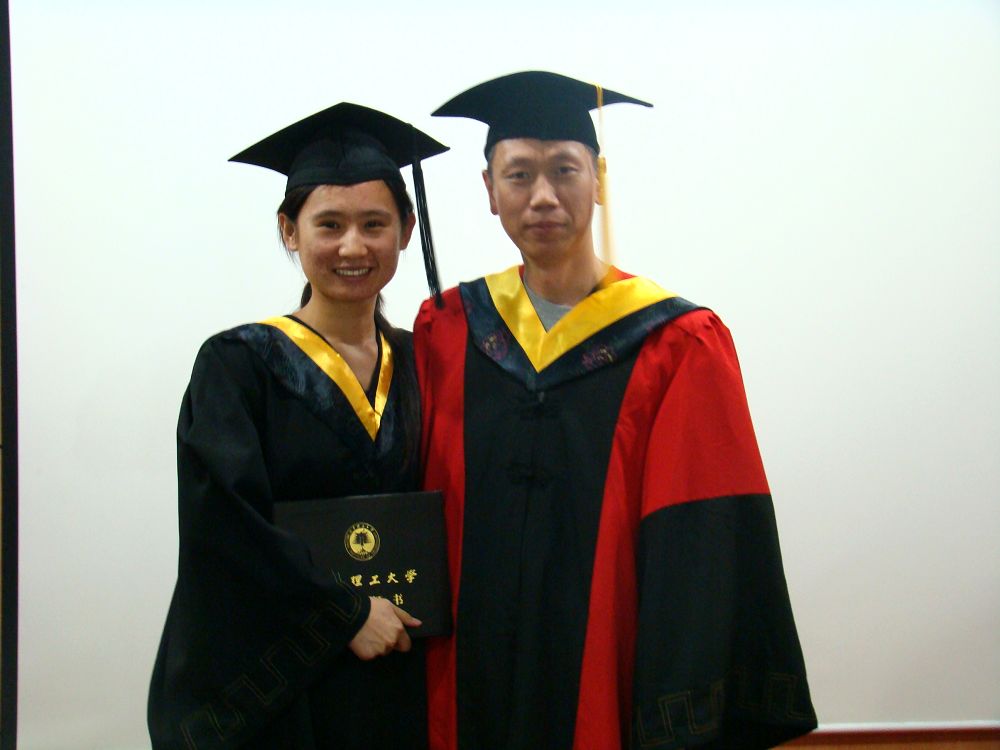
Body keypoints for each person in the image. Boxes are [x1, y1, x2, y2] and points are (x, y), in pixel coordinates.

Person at [415, 71, 817, 749]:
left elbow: (704, 536)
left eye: (564, 170)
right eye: (519, 174)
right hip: (472, 663)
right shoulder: (449, 328)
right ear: (489, 190)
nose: (543, 196)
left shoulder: (676, 342)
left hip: (609, 658)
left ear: (599, 179)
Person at [148, 103, 447, 750]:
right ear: (289, 230)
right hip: (293, 686)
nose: (353, 246)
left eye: (374, 224)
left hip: (403, 672)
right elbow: (223, 525)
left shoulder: (424, 362)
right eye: (329, 224)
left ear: (405, 230)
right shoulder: (239, 365)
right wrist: (344, 614)